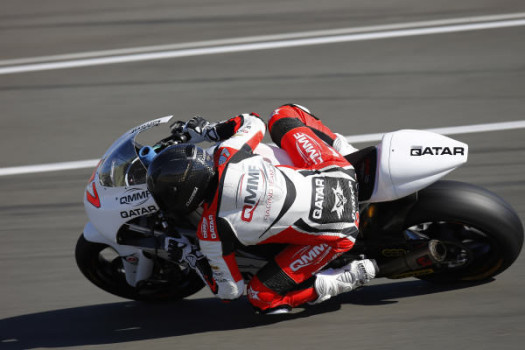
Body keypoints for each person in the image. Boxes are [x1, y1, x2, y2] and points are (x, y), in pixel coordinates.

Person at [146, 104, 378, 314]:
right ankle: (346, 151)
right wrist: (208, 130)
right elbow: (253, 121)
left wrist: (190, 256)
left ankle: (343, 279)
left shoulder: (212, 231)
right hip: (339, 170)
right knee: (283, 114)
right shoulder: (227, 153)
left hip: (340, 233)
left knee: (261, 297)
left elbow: (230, 292)